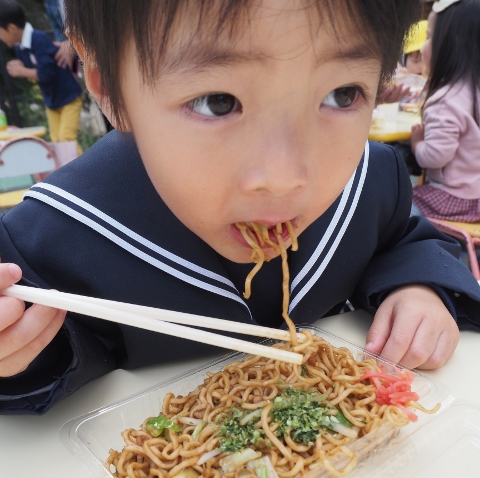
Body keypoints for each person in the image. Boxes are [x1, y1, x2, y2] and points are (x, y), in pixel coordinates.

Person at [0, 0, 479, 415]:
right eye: (217, 101)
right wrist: (21, 355)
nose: (283, 178)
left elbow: (406, 243)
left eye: (343, 94)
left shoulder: (371, 181)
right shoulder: (51, 236)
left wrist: (419, 287)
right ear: (110, 87)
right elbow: (53, 355)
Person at [411, 0, 480, 221]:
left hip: (455, 199)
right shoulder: (474, 91)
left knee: (398, 203)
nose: (422, 47)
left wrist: (417, 144)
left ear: (451, 45)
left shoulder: (446, 100)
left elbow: (435, 157)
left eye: (429, 36)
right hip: (476, 197)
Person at [0, 0, 82, 153]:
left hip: (68, 97)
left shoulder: (38, 39)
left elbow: (46, 73)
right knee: (56, 142)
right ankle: (70, 167)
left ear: (11, 28)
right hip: (52, 101)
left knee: (67, 140)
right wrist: (21, 65)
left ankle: (85, 167)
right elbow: (36, 67)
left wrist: (22, 71)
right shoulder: (21, 47)